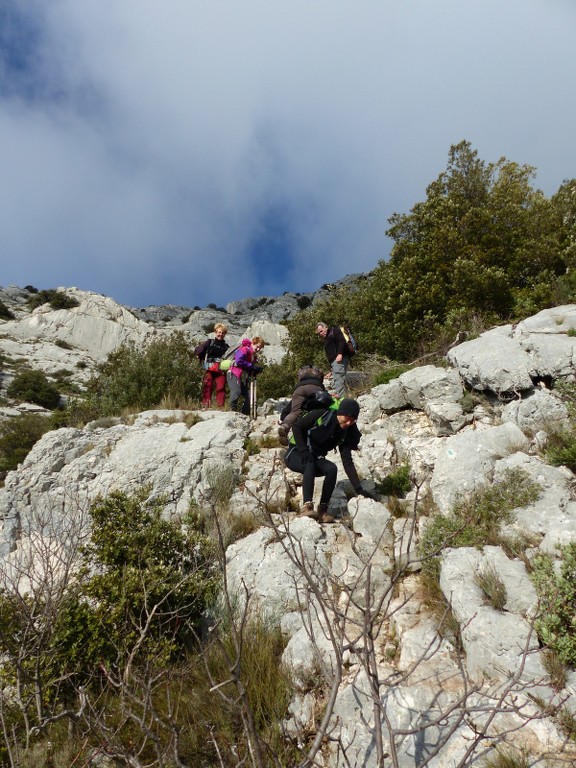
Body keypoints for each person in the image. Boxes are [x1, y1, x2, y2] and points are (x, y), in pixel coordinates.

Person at [284, 397, 376, 523]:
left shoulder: (345, 432)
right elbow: (297, 427)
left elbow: (347, 462)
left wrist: (359, 490)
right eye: (347, 418)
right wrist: (303, 449)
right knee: (310, 463)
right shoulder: (322, 414)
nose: (348, 423)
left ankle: (323, 510)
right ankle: (307, 507)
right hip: (295, 453)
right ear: (340, 413)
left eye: (352, 421)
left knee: (332, 469)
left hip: (314, 456)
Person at [277, 365, 325, 446]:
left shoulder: (303, 373)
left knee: (295, 411)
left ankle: (284, 427)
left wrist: (284, 418)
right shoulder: (317, 372)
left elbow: (289, 408)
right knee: (320, 410)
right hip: (315, 388)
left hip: (299, 389)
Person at [227, 336, 265, 415]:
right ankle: (232, 411)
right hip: (234, 373)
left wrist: (255, 370)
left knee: (250, 396)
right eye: (257, 347)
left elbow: (248, 367)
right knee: (236, 391)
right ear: (253, 343)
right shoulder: (245, 349)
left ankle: (244, 414)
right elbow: (239, 360)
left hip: (243, 377)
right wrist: (252, 366)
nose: (258, 349)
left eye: (260, 348)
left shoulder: (253, 355)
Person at [196, 323, 229, 408]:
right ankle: (205, 405)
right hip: (209, 368)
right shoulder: (209, 342)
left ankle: (220, 407)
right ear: (215, 332)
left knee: (221, 387)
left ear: (225, 334)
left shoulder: (226, 347)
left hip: (220, 370)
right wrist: (199, 353)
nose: (220, 334)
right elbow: (199, 349)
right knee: (208, 385)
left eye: (223, 333)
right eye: (219, 332)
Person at [315, 322, 350, 398]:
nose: (320, 334)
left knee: (339, 379)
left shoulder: (334, 331)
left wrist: (340, 354)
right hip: (336, 362)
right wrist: (331, 371)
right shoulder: (328, 337)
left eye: (321, 331)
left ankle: (342, 401)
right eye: (319, 333)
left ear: (326, 327)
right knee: (338, 379)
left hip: (339, 359)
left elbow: (342, 341)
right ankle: (344, 399)